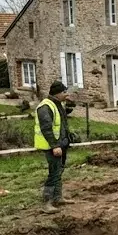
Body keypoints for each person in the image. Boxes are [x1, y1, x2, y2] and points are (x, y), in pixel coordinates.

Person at [34, 80, 73, 214]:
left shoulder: (57, 104)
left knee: (59, 171)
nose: (66, 94)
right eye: (64, 92)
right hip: (51, 146)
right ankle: (47, 203)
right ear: (57, 93)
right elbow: (46, 129)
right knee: (54, 173)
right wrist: (55, 146)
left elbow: (64, 118)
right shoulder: (45, 107)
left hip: (61, 144)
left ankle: (58, 197)